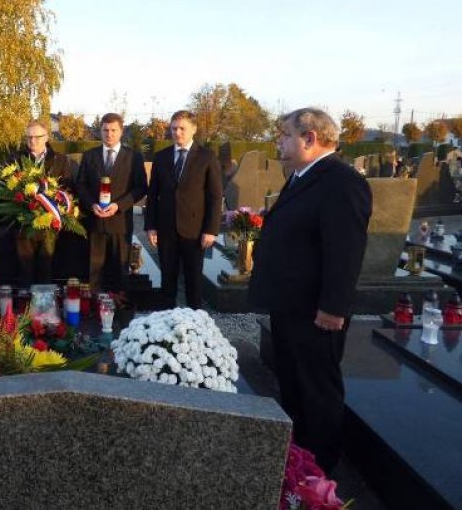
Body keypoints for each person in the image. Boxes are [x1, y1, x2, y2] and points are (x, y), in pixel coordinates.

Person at [247, 107, 372, 474]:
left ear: (310, 138)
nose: (279, 141)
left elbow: (345, 250)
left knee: (317, 391)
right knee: (294, 387)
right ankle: (298, 462)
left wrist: (333, 307)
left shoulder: (341, 181)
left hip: (316, 312)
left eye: (285, 135)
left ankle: (319, 473)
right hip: (290, 306)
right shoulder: (303, 176)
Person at [145, 110, 222, 308]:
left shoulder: (207, 157)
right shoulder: (161, 157)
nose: (177, 133)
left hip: (195, 231)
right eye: (173, 128)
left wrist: (211, 230)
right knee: (167, 280)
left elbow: (214, 196)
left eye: (182, 128)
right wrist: (151, 226)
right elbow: (153, 195)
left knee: (193, 282)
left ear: (193, 129)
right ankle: (165, 324)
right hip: (166, 229)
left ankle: (195, 326)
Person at [76, 112, 147, 293]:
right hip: (95, 221)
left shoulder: (134, 157)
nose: (109, 134)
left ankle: (119, 314)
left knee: (120, 273)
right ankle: (94, 312)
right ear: (100, 131)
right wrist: (91, 204)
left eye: (113, 130)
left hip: (120, 223)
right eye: (105, 130)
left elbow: (140, 187)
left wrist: (119, 205)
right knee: (94, 271)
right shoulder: (89, 156)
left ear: (121, 131)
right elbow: (81, 184)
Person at [9, 119, 73, 286]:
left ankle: (45, 310)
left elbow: (67, 190)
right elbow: (7, 190)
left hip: (49, 227)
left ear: (47, 137)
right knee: (24, 273)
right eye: (29, 137)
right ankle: (25, 309)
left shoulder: (61, 160)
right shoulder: (15, 159)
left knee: (47, 271)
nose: (33, 141)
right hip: (23, 227)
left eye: (37, 137)